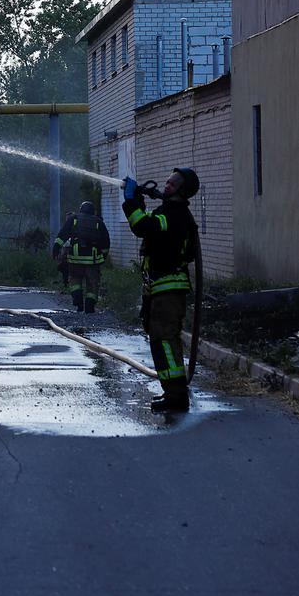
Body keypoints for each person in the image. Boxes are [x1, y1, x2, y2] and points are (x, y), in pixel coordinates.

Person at [122, 168, 200, 413]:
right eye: (167, 181)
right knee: (160, 339)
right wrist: (139, 202)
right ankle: (172, 392)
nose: (167, 185)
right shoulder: (169, 212)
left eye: (173, 183)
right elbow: (151, 226)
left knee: (165, 340)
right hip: (159, 288)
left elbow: (143, 227)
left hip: (168, 288)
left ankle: (176, 396)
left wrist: (131, 202)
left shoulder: (176, 215)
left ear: (182, 191)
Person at [55, 202, 110, 313]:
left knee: (75, 280)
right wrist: (103, 255)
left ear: (81, 210)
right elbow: (106, 241)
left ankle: (78, 300)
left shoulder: (73, 219)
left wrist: (56, 247)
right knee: (92, 283)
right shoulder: (98, 222)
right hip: (93, 260)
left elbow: (63, 234)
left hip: (75, 258)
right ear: (93, 211)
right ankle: (89, 307)